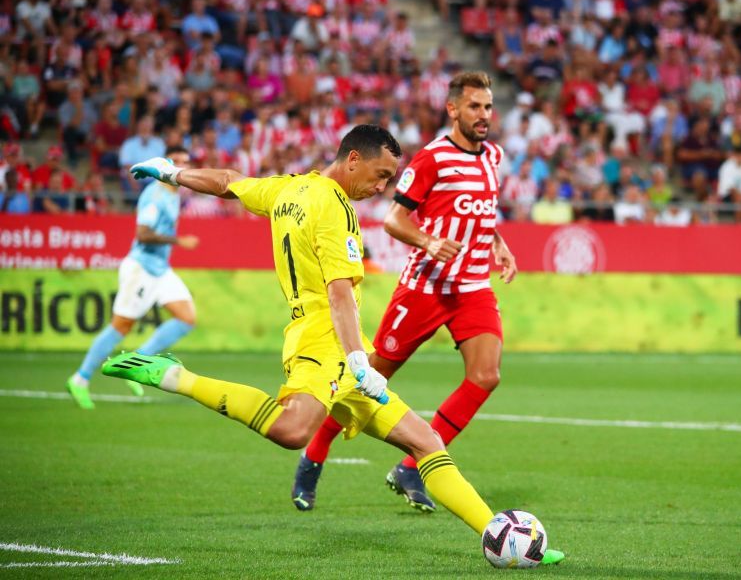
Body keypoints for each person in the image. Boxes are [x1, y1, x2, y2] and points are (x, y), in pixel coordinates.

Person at [102, 125, 564, 565]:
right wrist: (360, 361)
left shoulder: (289, 188)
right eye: (381, 175)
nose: (382, 187)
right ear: (353, 159)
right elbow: (339, 292)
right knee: (291, 431)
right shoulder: (335, 207)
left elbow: (228, 182)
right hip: (325, 342)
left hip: (334, 342)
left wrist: (172, 173)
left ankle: (501, 536)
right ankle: (175, 376)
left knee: (424, 442)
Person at [291, 72, 520, 517]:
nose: (484, 116)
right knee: (368, 381)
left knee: (486, 375)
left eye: (488, 107)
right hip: (425, 289)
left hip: (472, 287)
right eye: (474, 107)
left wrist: (499, 245)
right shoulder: (433, 158)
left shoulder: (494, 156)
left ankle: (412, 466)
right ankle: (313, 456)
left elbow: (483, 213)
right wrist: (431, 243)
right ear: (453, 109)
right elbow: (395, 220)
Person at [65, 147, 199, 409]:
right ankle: (80, 379)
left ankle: (138, 360)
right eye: (178, 162)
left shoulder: (174, 194)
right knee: (120, 327)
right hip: (141, 268)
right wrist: (178, 241)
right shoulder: (155, 195)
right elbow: (143, 234)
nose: (183, 166)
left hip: (161, 269)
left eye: (187, 162)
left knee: (187, 317)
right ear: (167, 165)